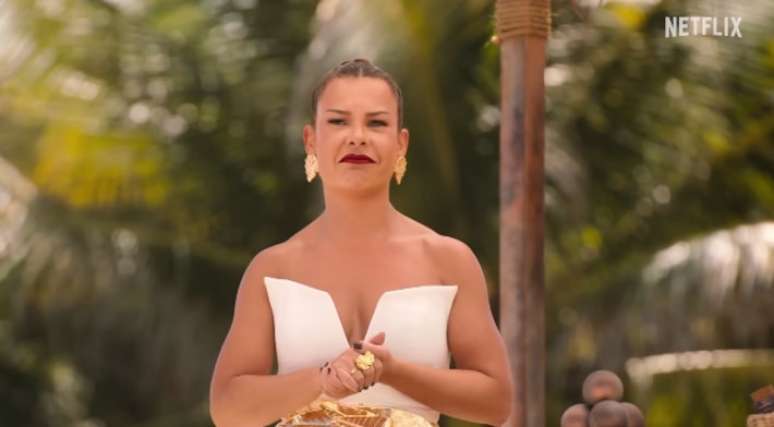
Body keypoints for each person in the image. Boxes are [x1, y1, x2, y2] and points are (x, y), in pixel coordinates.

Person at [208, 59, 513, 426]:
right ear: (311, 140)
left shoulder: (448, 260)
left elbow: (496, 401)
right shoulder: (273, 268)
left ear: (401, 144)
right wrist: (321, 381)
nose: (357, 137)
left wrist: (393, 371)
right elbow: (227, 410)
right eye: (338, 121)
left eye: (376, 123)